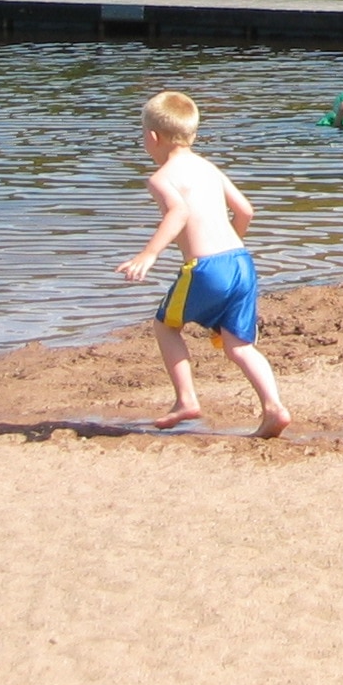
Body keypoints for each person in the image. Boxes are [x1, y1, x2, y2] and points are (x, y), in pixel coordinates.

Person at [113, 91, 291, 438]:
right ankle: (274, 407)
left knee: (165, 326)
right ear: (192, 134)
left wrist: (148, 254)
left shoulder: (161, 178)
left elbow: (178, 212)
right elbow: (245, 211)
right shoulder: (208, 168)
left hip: (206, 268)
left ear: (152, 137)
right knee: (239, 346)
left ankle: (186, 399)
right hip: (241, 262)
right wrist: (232, 244)